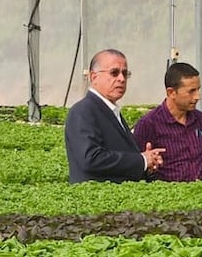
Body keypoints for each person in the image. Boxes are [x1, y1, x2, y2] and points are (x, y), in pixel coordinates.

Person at [64, 49, 163, 183]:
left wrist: (147, 166)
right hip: (96, 199)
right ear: (94, 77)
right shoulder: (83, 111)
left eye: (125, 73)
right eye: (114, 73)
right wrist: (142, 160)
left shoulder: (111, 111)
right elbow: (91, 159)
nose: (121, 79)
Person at [132, 61, 202, 182]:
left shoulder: (199, 118)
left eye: (198, 89)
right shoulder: (148, 124)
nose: (197, 97)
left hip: (200, 195)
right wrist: (149, 169)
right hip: (167, 197)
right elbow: (137, 171)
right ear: (171, 92)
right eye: (191, 91)